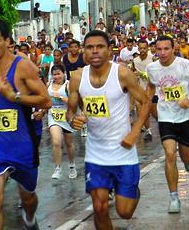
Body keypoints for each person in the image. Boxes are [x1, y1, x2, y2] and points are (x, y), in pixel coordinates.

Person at [0, 18, 51, 230]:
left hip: (24, 145)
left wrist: (15, 97)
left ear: (7, 41)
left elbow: (46, 100)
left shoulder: (23, 68)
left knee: (28, 198)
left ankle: (30, 220)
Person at [67, 30, 151, 230]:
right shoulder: (77, 78)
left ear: (109, 50)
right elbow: (70, 113)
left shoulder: (121, 73)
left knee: (125, 212)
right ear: (83, 52)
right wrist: (74, 120)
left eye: (100, 47)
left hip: (124, 154)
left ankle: (132, 192)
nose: (94, 51)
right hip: (96, 154)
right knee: (99, 206)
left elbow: (145, 101)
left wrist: (134, 132)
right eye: (89, 47)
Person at [146, 35, 189, 213]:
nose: (162, 53)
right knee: (170, 154)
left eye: (166, 49)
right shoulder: (152, 68)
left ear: (174, 49)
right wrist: (148, 104)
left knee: (186, 156)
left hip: (186, 117)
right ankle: (173, 197)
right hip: (166, 117)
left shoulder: (184, 65)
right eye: (159, 49)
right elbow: (150, 88)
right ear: (155, 50)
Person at [47, 65, 77, 180]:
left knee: (69, 144)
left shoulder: (68, 85)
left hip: (66, 116)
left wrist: (60, 97)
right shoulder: (49, 85)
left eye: (58, 74)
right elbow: (46, 100)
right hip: (53, 116)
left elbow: (74, 102)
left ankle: (72, 165)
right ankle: (57, 168)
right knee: (56, 142)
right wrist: (41, 111)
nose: (57, 76)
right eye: (54, 74)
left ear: (64, 73)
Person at [132, 40, 154, 140]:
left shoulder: (153, 59)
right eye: (141, 48)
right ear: (138, 48)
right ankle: (148, 131)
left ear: (148, 48)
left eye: (144, 48)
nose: (143, 50)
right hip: (140, 90)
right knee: (141, 110)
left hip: (153, 90)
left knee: (154, 113)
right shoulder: (135, 60)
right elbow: (132, 72)